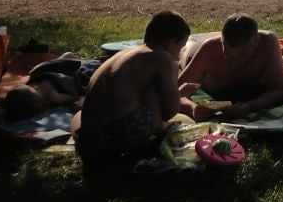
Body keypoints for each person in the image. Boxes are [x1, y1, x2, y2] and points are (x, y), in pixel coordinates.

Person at [71, 10, 192, 168]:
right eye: (180, 47)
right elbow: (170, 111)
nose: (179, 53)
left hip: (88, 142)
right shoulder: (161, 57)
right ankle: (156, 129)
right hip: (119, 137)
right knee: (153, 86)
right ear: (170, 43)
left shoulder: (123, 55)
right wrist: (179, 88)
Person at [178, 13, 283, 121]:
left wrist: (251, 106)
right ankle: (192, 42)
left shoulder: (268, 42)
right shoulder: (209, 50)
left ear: (256, 42)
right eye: (227, 54)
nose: (235, 62)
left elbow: (279, 89)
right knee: (188, 50)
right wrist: (192, 108)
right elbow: (174, 94)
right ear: (221, 42)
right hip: (194, 51)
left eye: (242, 55)